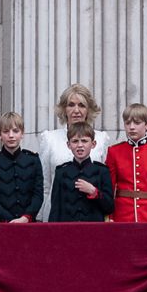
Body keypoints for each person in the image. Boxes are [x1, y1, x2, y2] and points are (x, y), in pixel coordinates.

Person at [36, 84, 109, 222]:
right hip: (57, 214)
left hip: (92, 215)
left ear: (89, 110)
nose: (76, 110)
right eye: (71, 105)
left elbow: (104, 183)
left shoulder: (101, 138)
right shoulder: (49, 138)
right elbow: (44, 182)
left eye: (81, 105)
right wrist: (40, 217)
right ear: (64, 109)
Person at [0, 111, 42, 223]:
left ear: (22, 133)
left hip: (27, 224)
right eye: (6, 131)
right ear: (0, 135)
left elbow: (38, 195)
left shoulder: (33, 160)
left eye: (15, 131)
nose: (11, 135)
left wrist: (26, 217)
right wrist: (8, 219)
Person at [48, 121, 114, 223]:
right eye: (75, 141)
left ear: (93, 144)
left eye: (84, 141)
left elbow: (110, 207)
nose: (80, 145)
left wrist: (94, 192)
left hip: (94, 231)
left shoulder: (102, 171)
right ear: (68, 145)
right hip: (67, 231)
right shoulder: (61, 172)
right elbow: (55, 209)